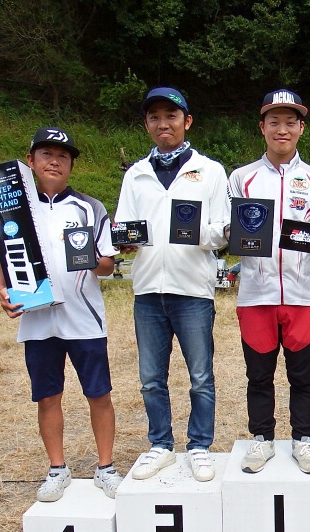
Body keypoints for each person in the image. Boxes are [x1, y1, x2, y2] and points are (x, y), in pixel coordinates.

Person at [0, 127, 122, 502]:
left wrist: (93, 260)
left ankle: (106, 468)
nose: (54, 161)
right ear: (30, 162)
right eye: (46, 154)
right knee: (48, 397)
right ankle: (57, 469)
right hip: (37, 320)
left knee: (99, 394)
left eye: (63, 156)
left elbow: (109, 264)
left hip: (84, 318)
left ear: (71, 165)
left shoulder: (89, 207)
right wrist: (2, 291)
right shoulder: (10, 209)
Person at [114, 87, 230, 482]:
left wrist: (192, 231)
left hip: (193, 290)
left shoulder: (210, 170)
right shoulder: (136, 174)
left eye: (171, 116)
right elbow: (124, 229)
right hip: (147, 290)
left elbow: (224, 232)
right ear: (146, 124)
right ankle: (160, 445)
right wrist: (123, 241)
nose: (163, 124)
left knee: (201, 377)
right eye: (154, 117)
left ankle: (199, 446)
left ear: (187, 121)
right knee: (150, 378)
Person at [228, 89, 310, 474]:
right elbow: (232, 228)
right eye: (274, 121)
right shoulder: (241, 178)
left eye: (290, 122)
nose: (282, 129)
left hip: (304, 292)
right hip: (255, 293)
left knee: (302, 374)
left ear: (301, 128)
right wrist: (229, 231)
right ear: (262, 127)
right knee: (258, 375)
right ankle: (262, 438)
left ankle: (304, 438)